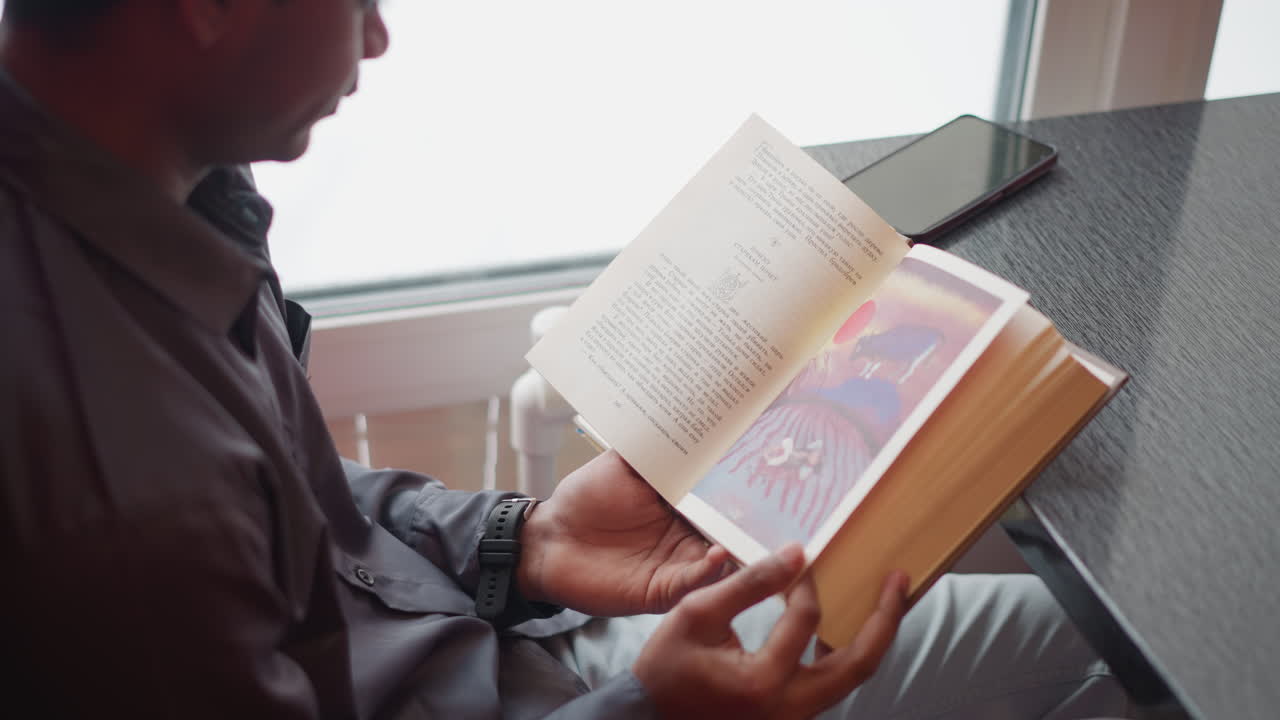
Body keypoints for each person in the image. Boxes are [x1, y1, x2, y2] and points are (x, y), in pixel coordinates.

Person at [0, 1, 1131, 717]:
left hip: (498, 633)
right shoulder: (111, 498)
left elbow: (279, 506)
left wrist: (523, 539)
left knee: (1105, 653)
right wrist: (655, 709)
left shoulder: (168, 200)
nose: (379, 34)